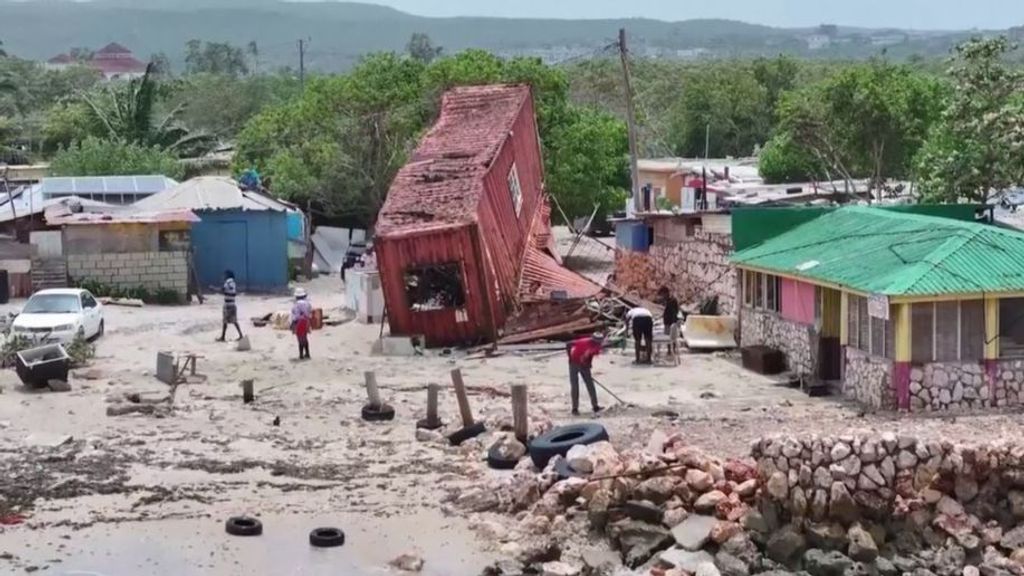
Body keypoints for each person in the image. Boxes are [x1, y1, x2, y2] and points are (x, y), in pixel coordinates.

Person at [567, 333, 605, 416]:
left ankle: (595, 406)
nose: (598, 344)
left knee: (590, 385)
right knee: (575, 386)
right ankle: (575, 408)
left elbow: (590, 355)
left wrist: (589, 364)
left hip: (583, 364)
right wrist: (569, 357)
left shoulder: (597, 346)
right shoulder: (583, 342)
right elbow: (568, 344)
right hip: (574, 362)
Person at [217, 270, 244, 342]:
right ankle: (241, 335)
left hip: (227, 305)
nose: (223, 277)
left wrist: (213, 289)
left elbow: (222, 290)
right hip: (232, 304)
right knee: (234, 321)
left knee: (225, 321)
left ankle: (223, 337)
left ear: (227, 275)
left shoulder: (227, 282)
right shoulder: (233, 283)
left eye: (224, 275)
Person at [290, 287, 313, 360]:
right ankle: (307, 353)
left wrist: (292, 324)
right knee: (305, 338)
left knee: (300, 339)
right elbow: (310, 313)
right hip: (306, 321)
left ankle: (301, 355)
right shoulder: (308, 303)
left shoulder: (296, 304)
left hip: (299, 322)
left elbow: (295, 315)